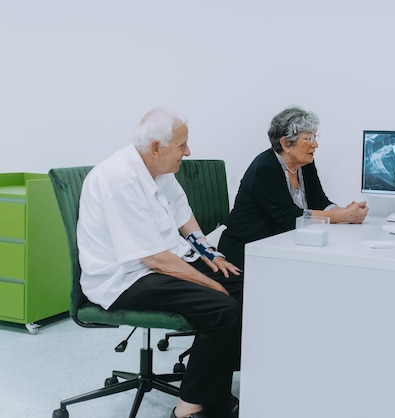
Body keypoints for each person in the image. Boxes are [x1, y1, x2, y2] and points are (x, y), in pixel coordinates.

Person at [77, 108, 243, 418]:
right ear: (156, 147)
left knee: (244, 285)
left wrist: (210, 254)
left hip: (161, 262)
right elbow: (152, 258)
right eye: (182, 146)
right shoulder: (120, 178)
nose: (188, 152)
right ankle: (189, 406)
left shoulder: (158, 169)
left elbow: (184, 216)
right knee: (223, 307)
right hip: (125, 279)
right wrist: (211, 283)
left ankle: (215, 387)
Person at [218, 106, 369, 268]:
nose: (316, 144)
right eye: (308, 138)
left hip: (281, 246)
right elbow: (290, 217)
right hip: (245, 251)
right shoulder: (265, 167)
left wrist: (344, 211)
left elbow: (319, 201)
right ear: (286, 144)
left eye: (315, 136)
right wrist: (344, 216)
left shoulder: (304, 164)